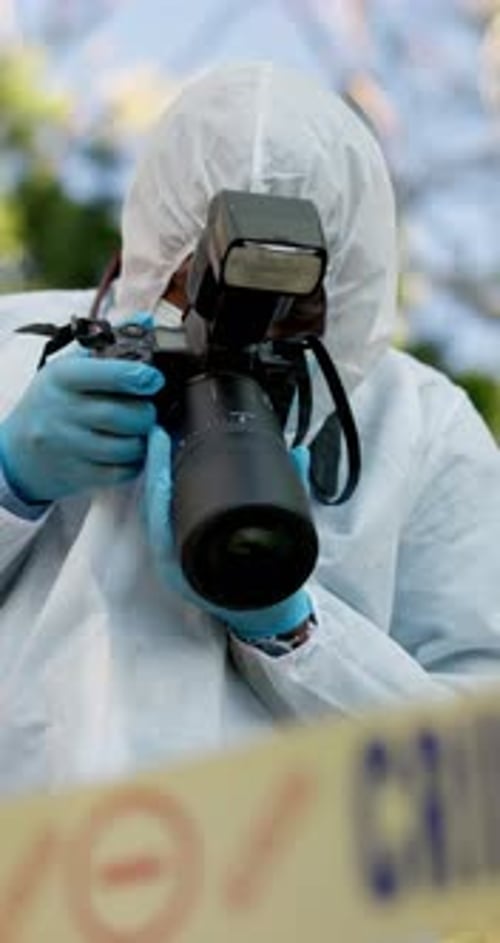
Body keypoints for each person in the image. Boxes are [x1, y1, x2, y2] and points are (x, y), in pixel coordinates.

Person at [0, 61, 499, 796]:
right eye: (190, 286)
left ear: (351, 290)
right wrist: (11, 484)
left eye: (290, 313)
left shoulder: (419, 428)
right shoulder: (11, 344)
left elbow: (479, 777)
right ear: (151, 245)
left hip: (283, 904)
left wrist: (298, 633)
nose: (234, 332)